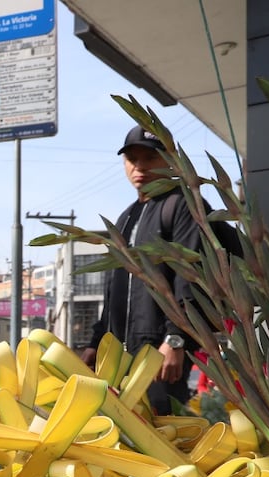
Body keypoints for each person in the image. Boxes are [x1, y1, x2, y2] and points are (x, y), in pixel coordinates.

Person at [79, 126, 206, 414]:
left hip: (159, 351)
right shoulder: (126, 217)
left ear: (169, 161)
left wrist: (176, 339)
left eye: (149, 158)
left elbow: (189, 277)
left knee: (161, 430)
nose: (139, 167)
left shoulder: (182, 205)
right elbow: (113, 289)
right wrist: (96, 341)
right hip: (118, 354)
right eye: (132, 159)